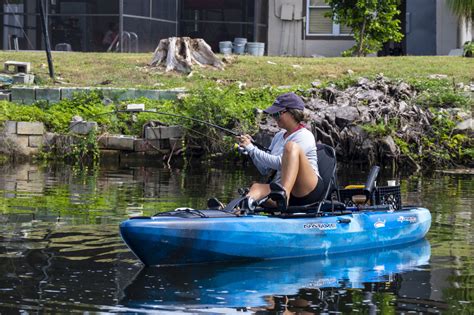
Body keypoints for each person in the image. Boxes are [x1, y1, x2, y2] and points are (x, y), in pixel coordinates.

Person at [236, 92, 324, 211]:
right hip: (282, 189)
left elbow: (280, 163)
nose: (274, 117)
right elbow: (265, 169)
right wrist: (250, 151)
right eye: (273, 114)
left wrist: (252, 148)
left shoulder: (304, 135)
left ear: (292, 113)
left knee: (290, 147)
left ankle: (284, 195)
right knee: (255, 187)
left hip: (308, 190)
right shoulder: (278, 136)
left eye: (277, 113)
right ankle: (240, 208)